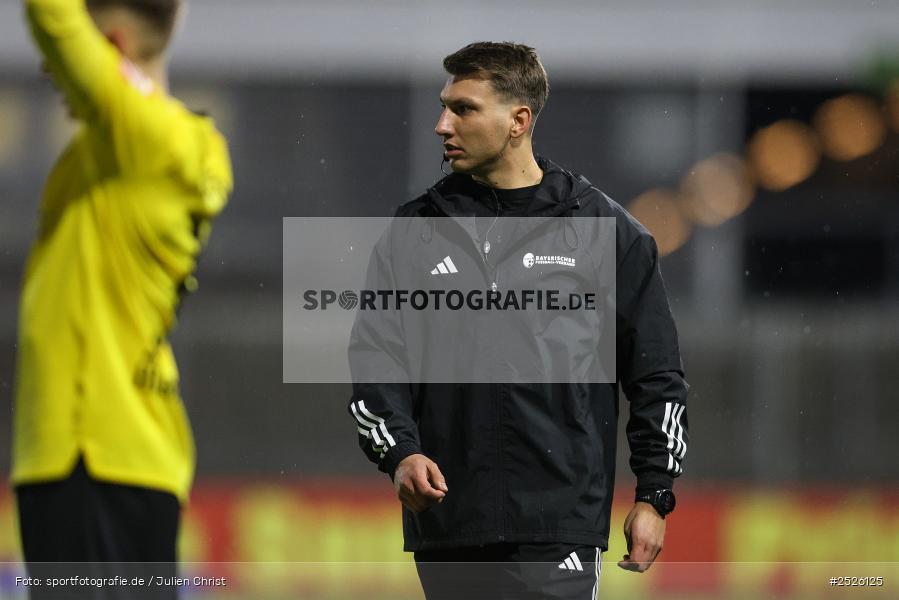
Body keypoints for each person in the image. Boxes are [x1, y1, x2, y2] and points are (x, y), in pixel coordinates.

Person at [349, 41, 688, 599]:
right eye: (444, 106)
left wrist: (654, 495)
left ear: (518, 121)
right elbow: (375, 363)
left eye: (463, 108)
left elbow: (657, 377)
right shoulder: (412, 232)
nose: (441, 124)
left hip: (561, 529)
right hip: (449, 526)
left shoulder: (607, 231)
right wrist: (401, 453)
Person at [11, 0, 232, 596]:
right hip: (133, 451)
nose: (52, 69)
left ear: (109, 46)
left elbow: (50, 16)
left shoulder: (144, 139)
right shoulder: (168, 147)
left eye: (70, 58)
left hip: (88, 452)